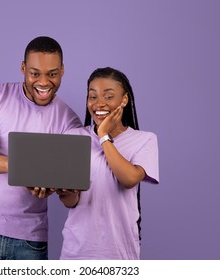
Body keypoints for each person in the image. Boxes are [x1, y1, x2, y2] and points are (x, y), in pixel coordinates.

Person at [0, 36, 82, 260]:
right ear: (23, 68)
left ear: (63, 70)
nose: (44, 82)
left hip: (31, 240)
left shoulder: (70, 121)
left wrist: (52, 185)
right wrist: (22, 167)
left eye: (52, 74)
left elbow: (68, 188)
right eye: (35, 73)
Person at [57, 67, 159, 260]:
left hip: (120, 253)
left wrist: (103, 135)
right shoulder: (73, 137)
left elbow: (129, 179)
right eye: (92, 96)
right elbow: (71, 202)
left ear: (124, 100)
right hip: (76, 252)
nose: (99, 103)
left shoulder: (145, 140)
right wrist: (65, 191)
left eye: (109, 96)